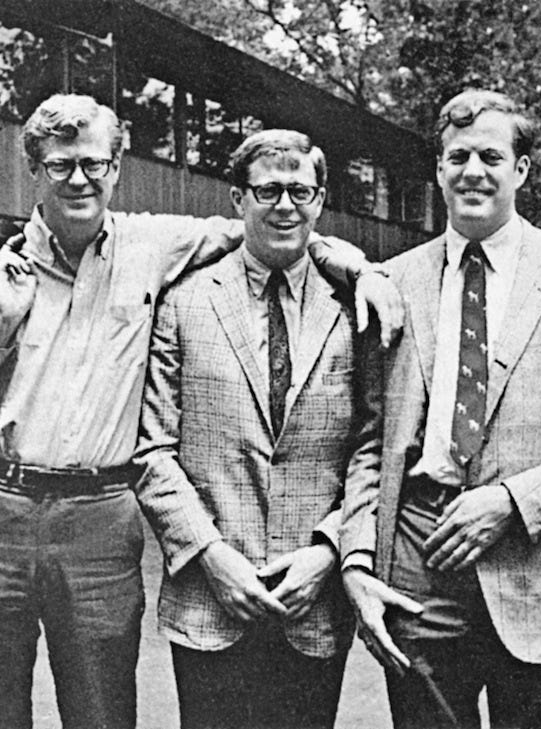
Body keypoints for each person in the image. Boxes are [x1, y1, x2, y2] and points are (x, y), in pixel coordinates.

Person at [0, 93, 400, 729]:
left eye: (94, 163)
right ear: (34, 169)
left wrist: (360, 268)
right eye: (61, 165)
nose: (79, 179)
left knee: (101, 712)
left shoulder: (154, 246)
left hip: (98, 516)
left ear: (117, 168)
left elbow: (272, 226)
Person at [341, 88, 541, 729]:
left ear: (521, 169)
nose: (474, 171)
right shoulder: (390, 284)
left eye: (491, 157)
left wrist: (512, 502)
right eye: (458, 156)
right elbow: (368, 442)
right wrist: (359, 559)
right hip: (419, 571)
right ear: (439, 169)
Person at [135, 129, 380, 729]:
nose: (284, 205)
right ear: (238, 198)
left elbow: (373, 446)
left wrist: (329, 550)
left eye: (301, 191)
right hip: (210, 597)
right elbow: (152, 448)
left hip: (313, 601)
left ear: (320, 201)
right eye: (268, 190)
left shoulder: (357, 306)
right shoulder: (182, 301)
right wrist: (211, 555)